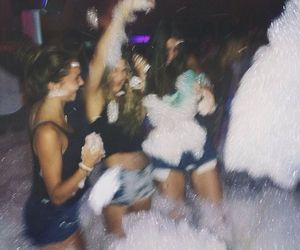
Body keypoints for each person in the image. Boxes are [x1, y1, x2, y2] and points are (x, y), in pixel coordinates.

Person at [143, 20, 226, 237]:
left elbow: (202, 78)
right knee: (176, 220)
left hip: (194, 139)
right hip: (164, 146)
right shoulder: (146, 73)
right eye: (167, 50)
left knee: (217, 215)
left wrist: (207, 92)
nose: (172, 54)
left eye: (175, 48)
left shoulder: (187, 64)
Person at [84, 0, 155, 237]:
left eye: (124, 70)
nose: (119, 75)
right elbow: (102, 56)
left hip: (144, 177)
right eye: (114, 69)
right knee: (119, 243)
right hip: (116, 181)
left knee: (143, 240)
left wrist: (143, 82)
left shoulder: (131, 96)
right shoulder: (95, 98)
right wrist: (122, 11)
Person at [22, 46, 104, 249]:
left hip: (62, 210)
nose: (81, 82)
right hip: (52, 214)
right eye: (76, 78)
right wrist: (86, 165)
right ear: (53, 85)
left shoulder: (44, 106)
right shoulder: (48, 133)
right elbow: (57, 196)